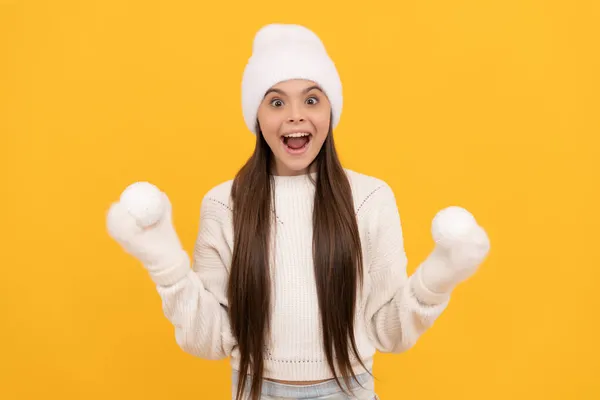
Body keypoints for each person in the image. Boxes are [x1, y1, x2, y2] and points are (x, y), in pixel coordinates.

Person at [106, 23, 491, 400]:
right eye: (276, 102)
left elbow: (388, 333)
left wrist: (439, 277)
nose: (295, 115)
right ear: (256, 115)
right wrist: (166, 266)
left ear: (330, 111)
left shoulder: (369, 198)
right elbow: (212, 341)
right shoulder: (224, 205)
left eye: (311, 99)